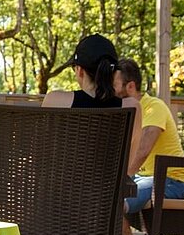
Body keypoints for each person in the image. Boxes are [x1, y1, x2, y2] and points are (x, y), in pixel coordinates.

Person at [113, 58, 184, 235]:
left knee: (115, 201)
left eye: (115, 85)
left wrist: (122, 178)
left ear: (130, 86)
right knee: (103, 194)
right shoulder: (126, 110)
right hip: (144, 178)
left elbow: (143, 150)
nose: (111, 89)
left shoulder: (153, 107)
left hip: (170, 181)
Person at [42, 33, 142, 166]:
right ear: (114, 72)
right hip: (109, 187)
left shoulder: (55, 101)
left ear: (79, 71)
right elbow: (127, 166)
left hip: (61, 185)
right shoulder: (132, 107)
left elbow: (42, 155)